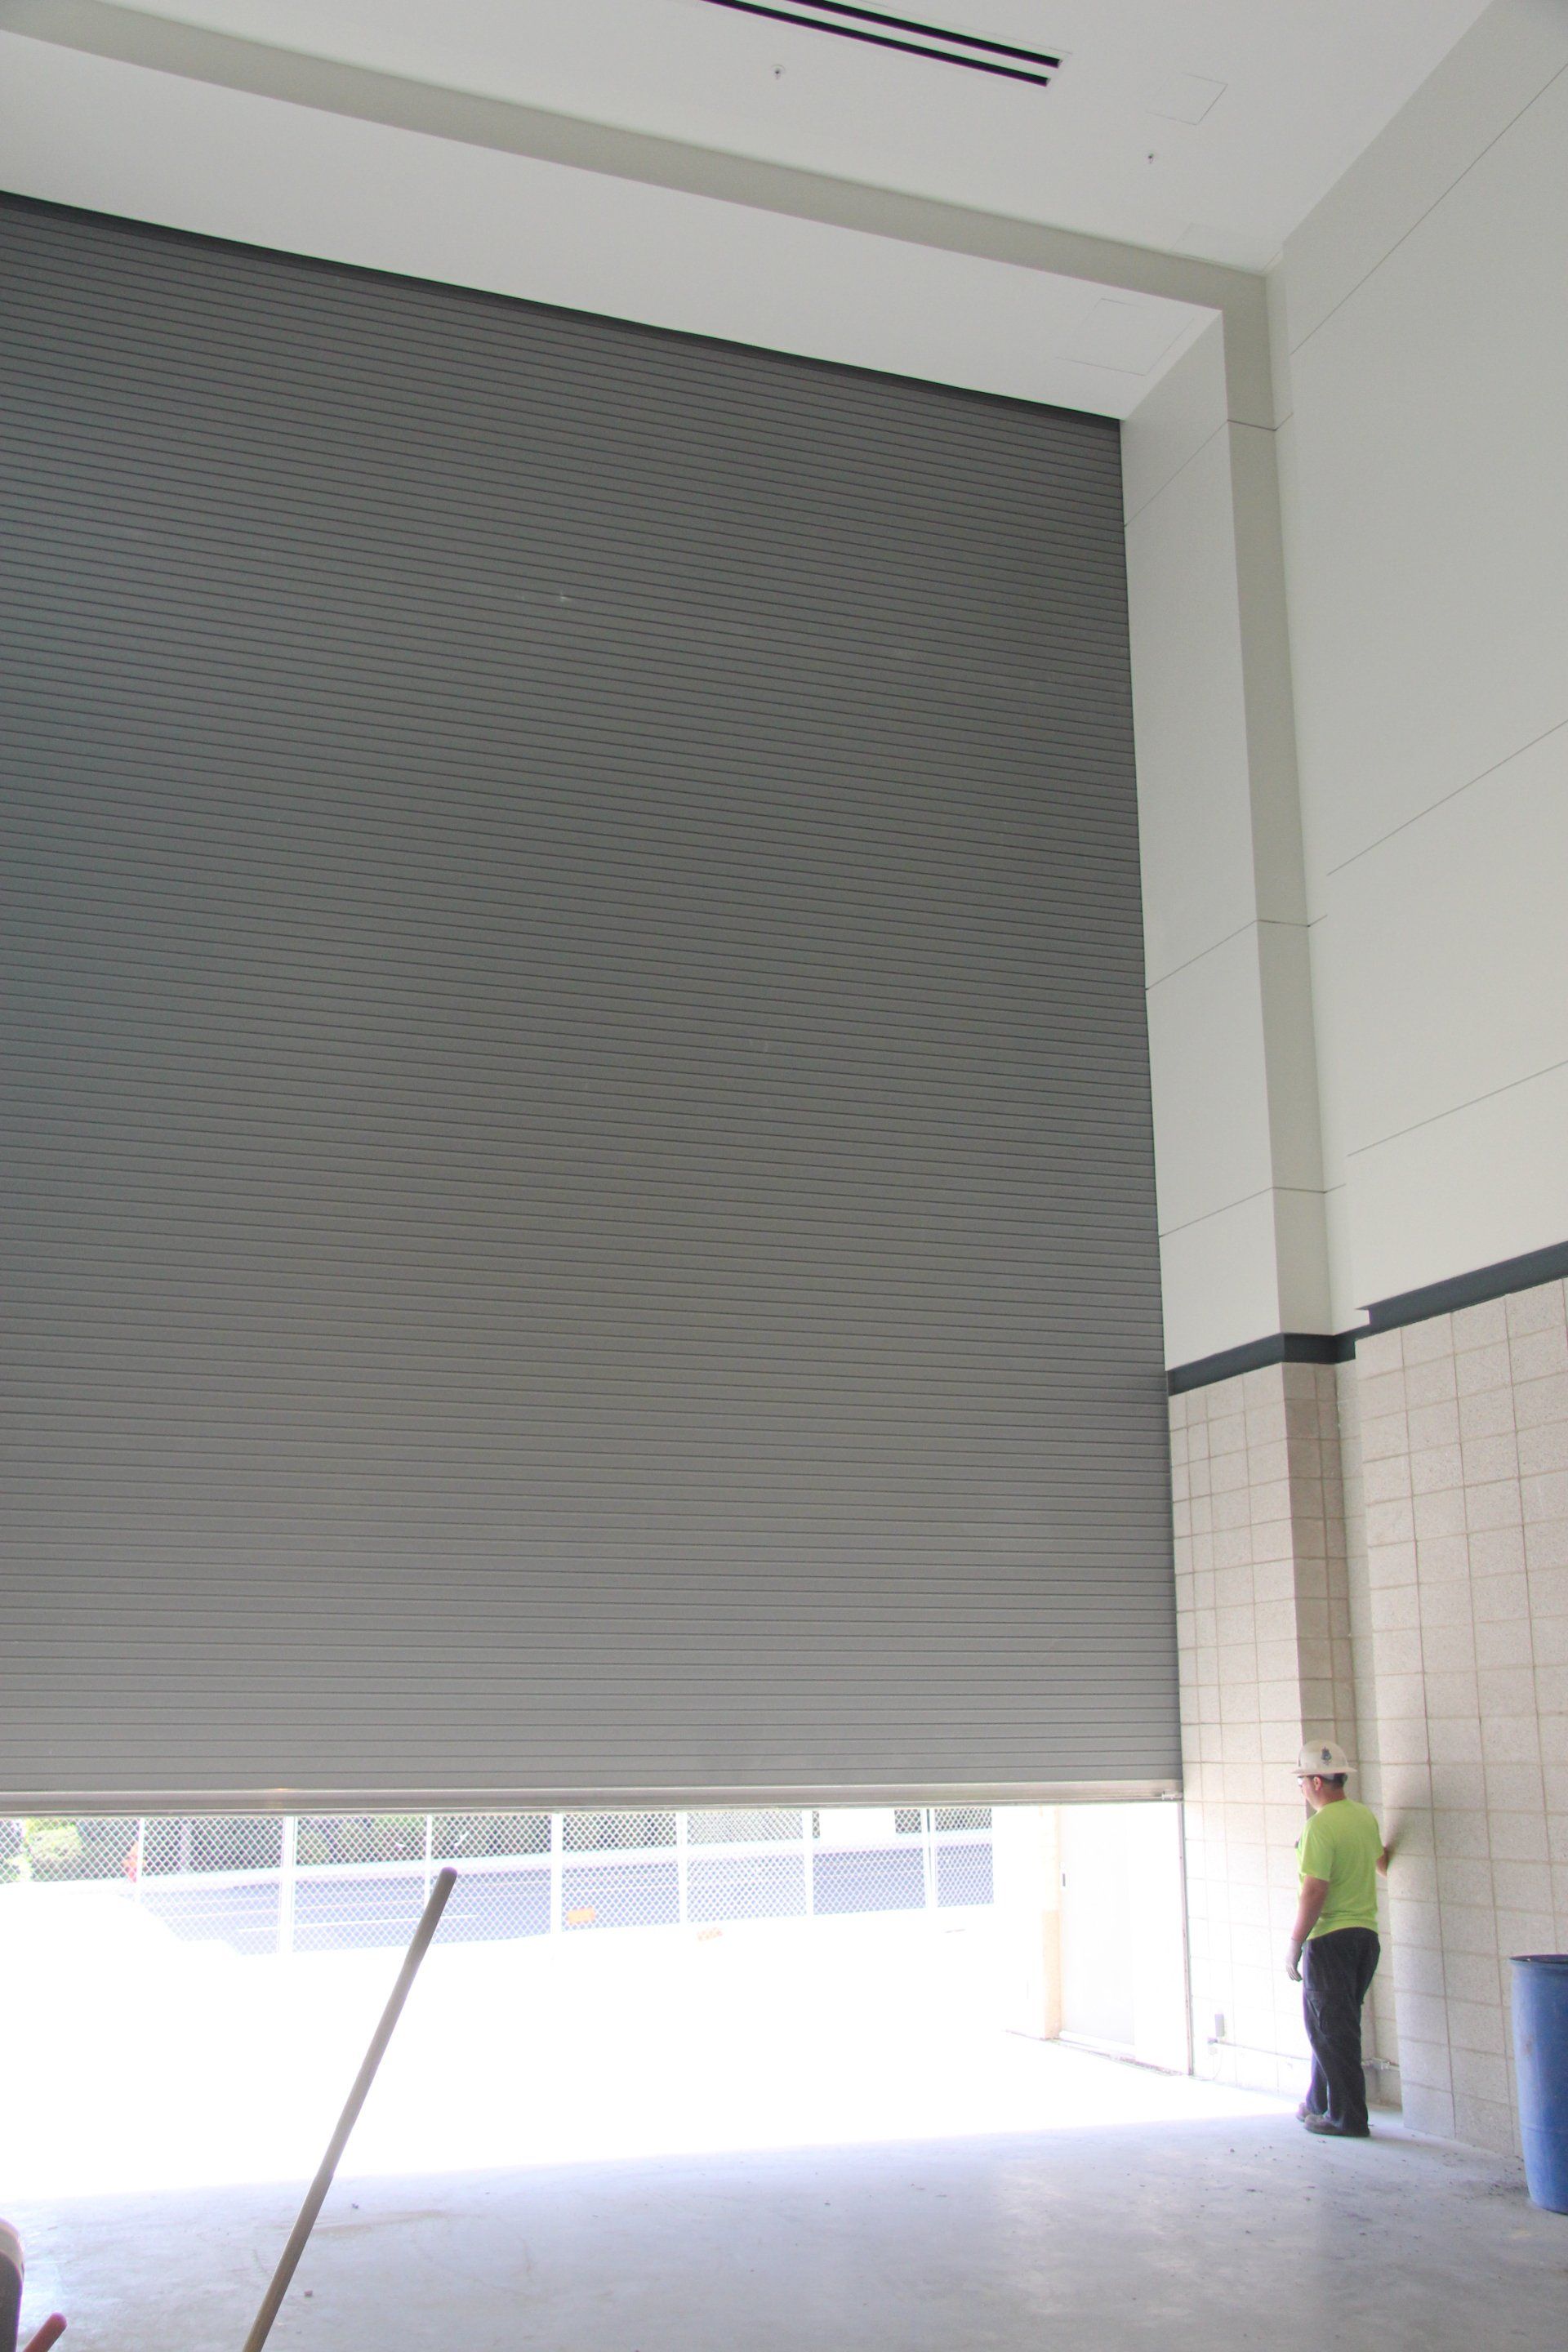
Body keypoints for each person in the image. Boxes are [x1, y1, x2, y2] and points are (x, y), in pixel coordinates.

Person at [1285, 1739, 1390, 2138]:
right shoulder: (1362, 1817)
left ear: (1315, 1781)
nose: (1300, 1789)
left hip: (1331, 1939)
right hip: (1366, 1938)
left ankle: (1347, 2117)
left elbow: (1315, 1890)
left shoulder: (1318, 1827)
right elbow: (1381, 1863)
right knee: (1334, 2022)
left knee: (1331, 2029)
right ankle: (1318, 2102)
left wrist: (1296, 1942)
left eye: (1300, 1782)